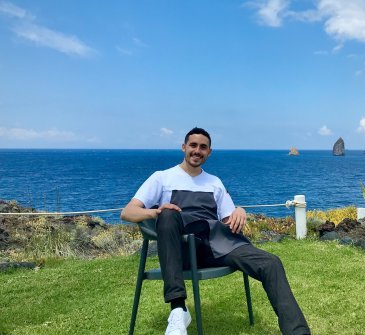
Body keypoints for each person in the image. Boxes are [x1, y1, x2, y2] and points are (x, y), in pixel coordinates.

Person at [121, 127, 311, 335]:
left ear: (209, 152)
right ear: (184, 148)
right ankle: (177, 309)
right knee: (167, 215)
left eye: (203, 147)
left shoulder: (215, 183)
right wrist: (156, 212)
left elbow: (229, 220)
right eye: (193, 145)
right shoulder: (162, 178)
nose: (197, 151)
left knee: (271, 263)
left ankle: (298, 332)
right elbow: (128, 212)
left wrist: (240, 210)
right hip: (182, 251)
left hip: (217, 246)